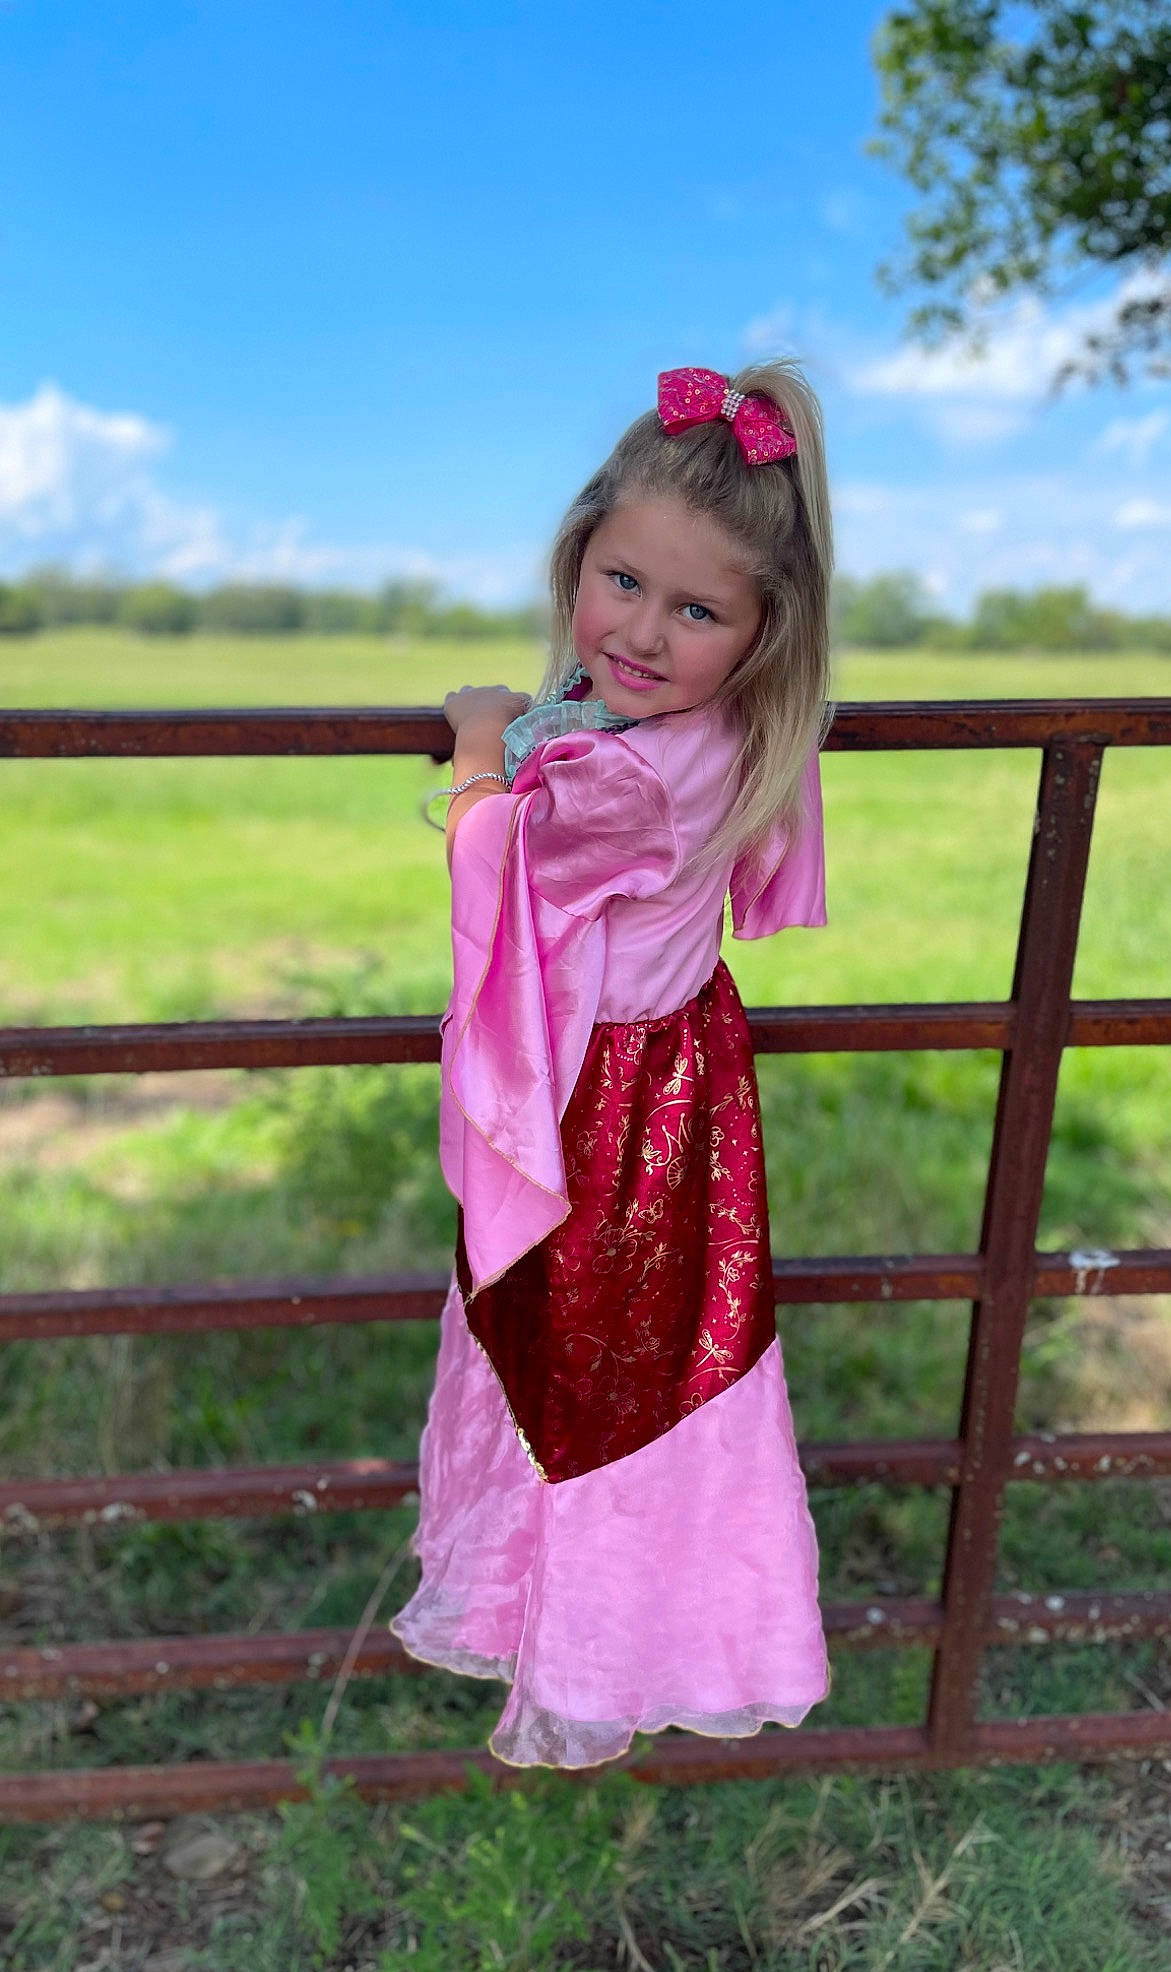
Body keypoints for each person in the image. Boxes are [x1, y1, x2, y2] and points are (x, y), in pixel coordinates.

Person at [389, 361, 834, 1768]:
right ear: (578, 555)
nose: (641, 633)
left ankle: (590, 1639)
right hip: (680, 1076)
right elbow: (601, 706)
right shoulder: (698, 728)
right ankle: (625, 1617)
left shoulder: (627, 775)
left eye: (697, 611)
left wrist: (476, 738)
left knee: (588, 1370)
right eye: (623, 581)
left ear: (764, 634)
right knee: (652, 1366)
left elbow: (495, 854)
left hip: (602, 1109)